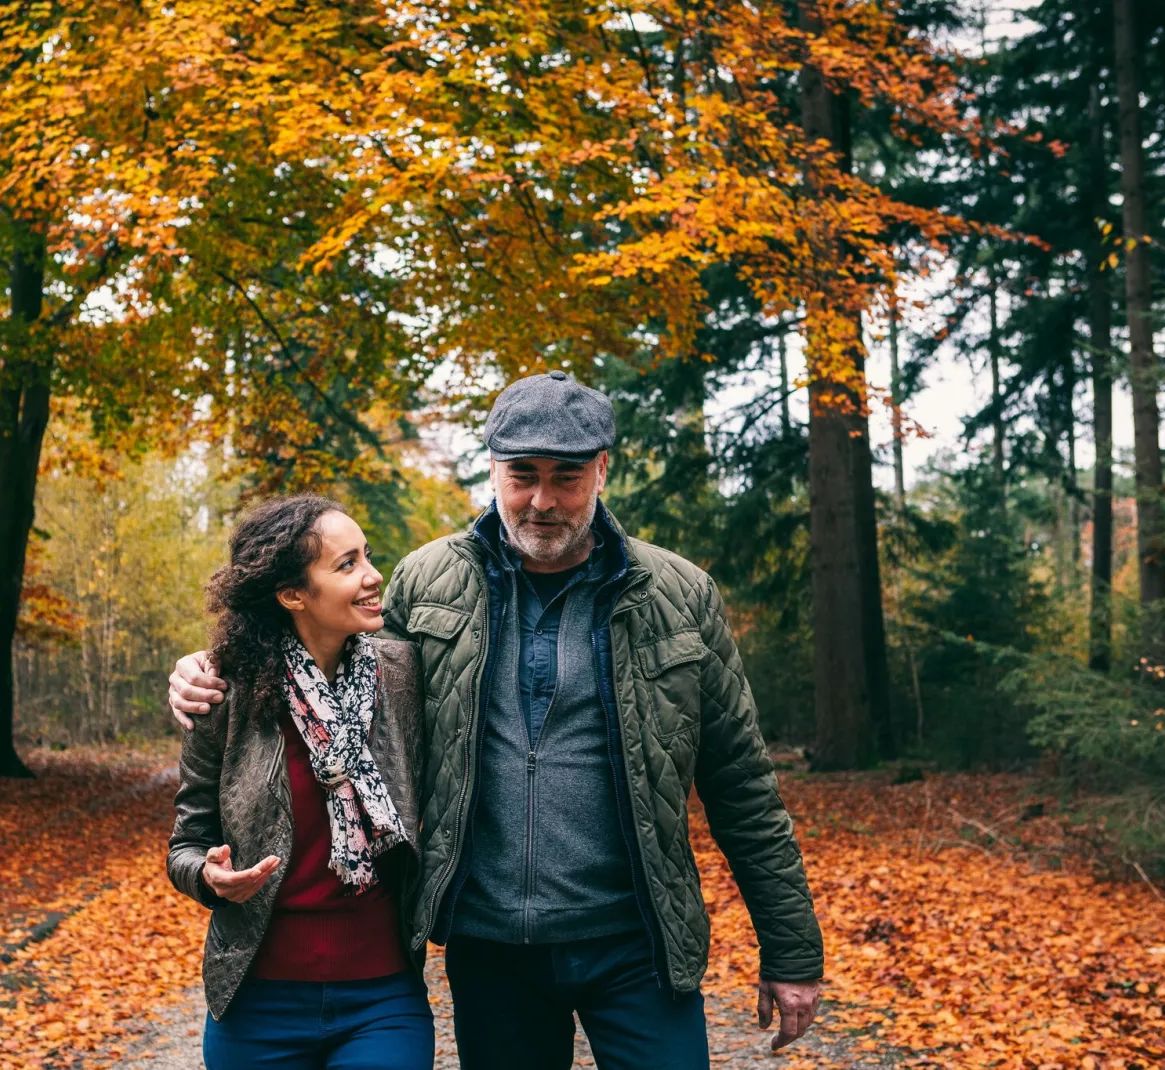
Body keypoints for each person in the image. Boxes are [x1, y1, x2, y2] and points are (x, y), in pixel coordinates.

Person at [170, 373, 824, 1070]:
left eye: (566, 478)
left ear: (602, 471)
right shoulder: (427, 583)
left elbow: (743, 786)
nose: (542, 500)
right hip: (491, 951)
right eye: (522, 476)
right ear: (493, 469)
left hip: (638, 943)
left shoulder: (677, 595)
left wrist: (790, 950)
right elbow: (323, 657)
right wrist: (207, 669)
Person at [166, 495, 433, 1069]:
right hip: (258, 1001)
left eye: (367, 556)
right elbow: (185, 845)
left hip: (383, 995)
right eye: (346, 565)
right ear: (292, 595)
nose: (372, 576)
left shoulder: (406, 674)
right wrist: (210, 878)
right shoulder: (226, 697)